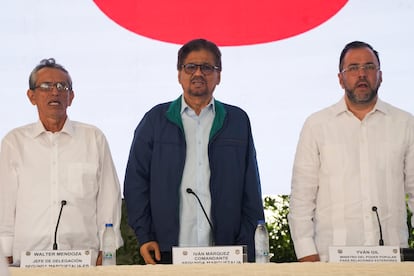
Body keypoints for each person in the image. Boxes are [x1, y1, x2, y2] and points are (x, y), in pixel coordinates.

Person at [124, 38, 265, 264]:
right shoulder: (155, 120)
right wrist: (145, 235)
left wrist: (247, 243)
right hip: (167, 251)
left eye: (207, 67)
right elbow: (135, 182)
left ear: (218, 76)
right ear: (179, 74)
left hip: (226, 252)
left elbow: (251, 188)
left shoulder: (237, 120)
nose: (198, 73)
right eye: (190, 67)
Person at [288, 41, 414, 262]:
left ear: (381, 76)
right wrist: (307, 256)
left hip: (392, 261)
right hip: (331, 263)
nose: (362, 74)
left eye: (369, 67)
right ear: (340, 78)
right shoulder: (317, 125)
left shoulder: (404, 123)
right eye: (353, 68)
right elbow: (301, 199)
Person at [0, 58, 123, 266]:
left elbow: (108, 197)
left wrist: (107, 248)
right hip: (27, 260)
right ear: (31, 96)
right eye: (46, 86)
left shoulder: (93, 138)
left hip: (83, 258)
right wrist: (5, 250)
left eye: (62, 86)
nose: (55, 92)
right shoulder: (15, 142)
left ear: (71, 97)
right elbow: (5, 200)